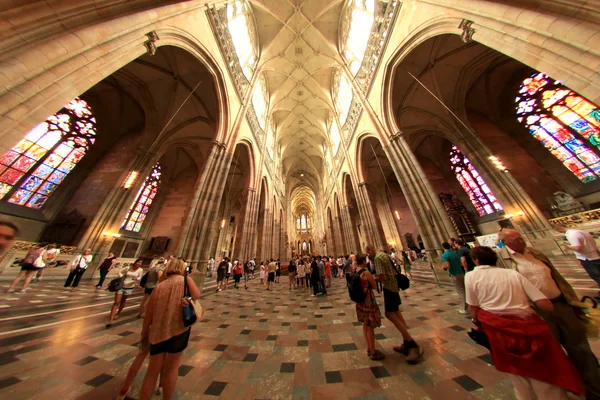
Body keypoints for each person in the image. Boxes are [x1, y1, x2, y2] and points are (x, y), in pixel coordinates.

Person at [465, 246, 584, 400]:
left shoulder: (470, 277)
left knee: (516, 371)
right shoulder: (512, 274)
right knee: (542, 369)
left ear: (476, 260)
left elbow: (473, 306)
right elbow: (544, 303)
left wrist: (476, 321)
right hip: (528, 326)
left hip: (498, 328)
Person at [498, 228, 600, 399]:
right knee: (551, 353)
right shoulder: (502, 260)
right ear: (506, 242)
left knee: (581, 348)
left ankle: (595, 389)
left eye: (521, 237)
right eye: (516, 239)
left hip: (560, 304)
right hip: (535, 312)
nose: (521, 240)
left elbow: (557, 278)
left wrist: (572, 301)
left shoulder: (536, 253)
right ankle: (569, 389)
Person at [138, 259, 200, 400]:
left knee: (151, 373)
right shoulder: (185, 281)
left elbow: (148, 314)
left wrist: (144, 333)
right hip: (179, 330)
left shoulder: (160, 286)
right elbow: (196, 296)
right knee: (171, 369)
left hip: (158, 332)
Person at [367, 244, 423, 364]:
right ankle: (406, 343)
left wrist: (372, 279)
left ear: (370, 250)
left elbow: (383, 277)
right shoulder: (383, 254)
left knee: (389, 314)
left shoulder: (377, 258)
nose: (368, 255)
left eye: (368, 253)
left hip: (390, 287)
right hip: (394, 285)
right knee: (396, 313)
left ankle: (412, 344)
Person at [354, 254, 384, 360]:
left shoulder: (356, 270)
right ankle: (372, 352)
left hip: (360, 301)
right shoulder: (366, 272)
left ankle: (369, 348)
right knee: (370, 325)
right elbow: (375, 286)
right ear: (363, 261)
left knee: (365, 324)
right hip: (368, 300)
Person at [107, 258, 143, 327]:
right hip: (121, 286)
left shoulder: (140, 270)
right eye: (138, 262)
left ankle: (118, 313)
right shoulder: (128, 267)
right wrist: (122, 277)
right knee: (117, 302)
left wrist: (136, 279)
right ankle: (110, 320)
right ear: (135, 262)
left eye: (141, 263)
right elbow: (120, 272)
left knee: (123, 300)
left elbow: (139, 278)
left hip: (129, 287)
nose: (139, 264)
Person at [442, 242, 468, 314]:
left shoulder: (445, 255)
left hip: (454, 274)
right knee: (464, 289)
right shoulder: (454, 253)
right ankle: (469, 304)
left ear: (443, 247)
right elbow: (460, 263)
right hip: (461, 272)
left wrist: (443, 267)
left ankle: (465, 308)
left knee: (460, 291)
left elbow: (448, 265)